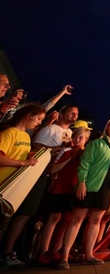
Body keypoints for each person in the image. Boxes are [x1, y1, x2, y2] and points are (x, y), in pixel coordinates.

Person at [58, 116, 110, 269]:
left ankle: (89, 254)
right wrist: (82, 182)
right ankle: (64, 257)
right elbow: (85, 163)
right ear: (107, 127)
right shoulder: (96, 143)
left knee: (96, 220)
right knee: (77, 219)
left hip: (108, 186)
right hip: (90, 184)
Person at [36, 124, 91, 265]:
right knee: (53, 218)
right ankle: (43, 252)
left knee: (68, 220)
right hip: (59, 188)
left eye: (81, 137)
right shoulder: (66, 151)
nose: (78, 140)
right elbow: (54, 169)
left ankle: (56, 251)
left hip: (74, 190)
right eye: (76, 137)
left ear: (86, 140)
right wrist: (70, 158)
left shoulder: (87, 153)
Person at [0, 103, 43, 267]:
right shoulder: (9, 133)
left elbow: (22, 157)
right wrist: (23, 162)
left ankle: (6, 255)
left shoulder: (26, 136)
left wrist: (31, 156)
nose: (38, 122)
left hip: (14, 187)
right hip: (3, 184)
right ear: (28, 115)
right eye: (38, 118)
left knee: (4, 225)